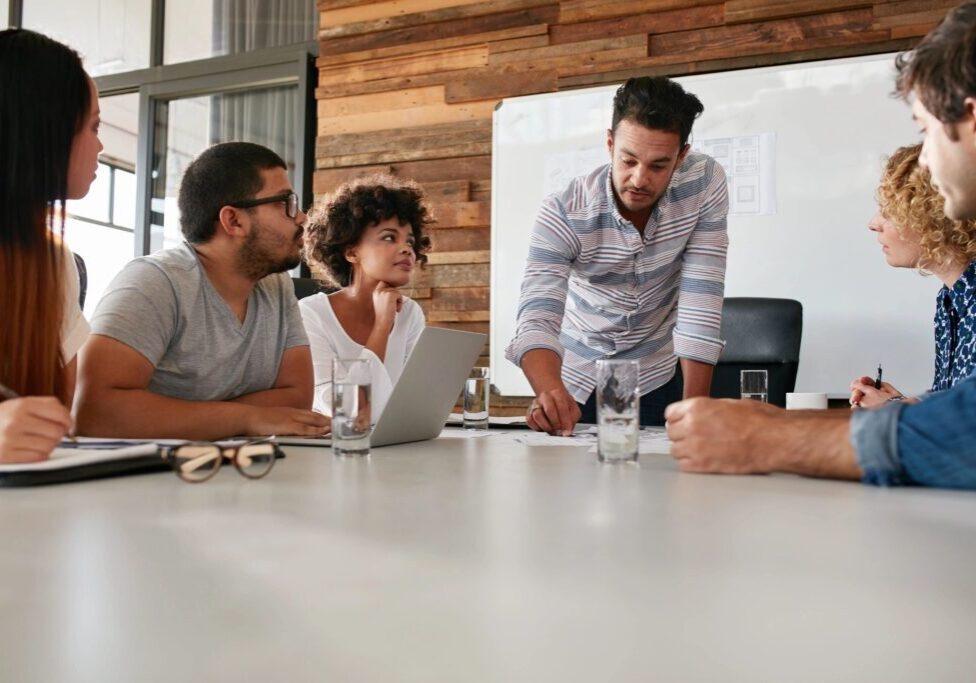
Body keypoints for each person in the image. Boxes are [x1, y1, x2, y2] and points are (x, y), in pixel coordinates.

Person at [665, 0, 976, 490]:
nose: (928, 163)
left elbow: (966, 435)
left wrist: (768, 437)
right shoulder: (952, 299)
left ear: (970, 118)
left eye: (925, 129)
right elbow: (962, 410)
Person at [505, 76, 729, 434]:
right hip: (580, 375)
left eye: (658, 165)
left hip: (656, 370)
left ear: (681, 156)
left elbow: (701, 297)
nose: (639, 179)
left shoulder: (703, 181)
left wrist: (694, 410)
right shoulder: (564, 212)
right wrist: (548, 390)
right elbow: (537, 317)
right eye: (628, 160)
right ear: (610, 143)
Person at [74, 142, 330, 440]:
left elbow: (297, 399)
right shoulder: (155, 282)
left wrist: (194, 416)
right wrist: (250, 417)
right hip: (153, 478)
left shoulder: (276, 287)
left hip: (240, 472)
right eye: (285, 203)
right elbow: (94, 411)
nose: (301, 218)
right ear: (233, 220)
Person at [0, 29, 97, 462]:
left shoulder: (53, 260)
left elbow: (55, 419)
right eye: (93, 125)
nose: (100, 145)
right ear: (44, 128)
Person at [850, 144, 976, 408]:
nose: (873, 223)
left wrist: (891, 409)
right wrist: (900, 402)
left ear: (935, 219)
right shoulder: (951, 298)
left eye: (889, 211)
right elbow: (954, 405)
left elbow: (965, 433)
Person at [299, 177, 431, 418]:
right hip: (334, 448)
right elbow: (344, 410)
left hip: (392, 446)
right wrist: (382, 326)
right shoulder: (310, 315)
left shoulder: (410, 313)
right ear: (351, 251)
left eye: (410, 241)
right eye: (389, 237)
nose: (407, 249)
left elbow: (412, 403)